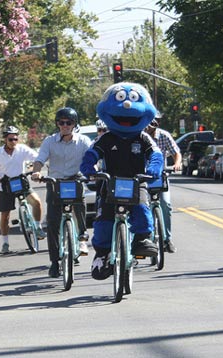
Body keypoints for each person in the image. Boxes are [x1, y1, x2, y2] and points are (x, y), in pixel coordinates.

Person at [80, 82, 163, 280]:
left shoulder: (143, 138)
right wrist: (89, 167)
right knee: (103, 220)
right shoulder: (106, 138)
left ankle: (142, 239)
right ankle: (102, 254)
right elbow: (92, 153)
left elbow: (156, 155)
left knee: (142, 208)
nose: (126, 106)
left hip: (137, 181)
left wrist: (153, 168)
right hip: (110, 182)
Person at [31, 107, 92, 278]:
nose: (65, 125)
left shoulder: (84, 141)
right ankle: (54, 262)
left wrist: (93, 171)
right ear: (57, 124)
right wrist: (36, 172)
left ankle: (82, 234)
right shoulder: (49, 141)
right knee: (52, 223)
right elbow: (40, 160)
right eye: (61, 122)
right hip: (55, 182)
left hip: (75, 179)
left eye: (69, 122)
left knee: (79, 203)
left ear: (74, 124)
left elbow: (90, 158)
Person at [0, 125, 46, 253]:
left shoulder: (22, 149)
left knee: (37, 202)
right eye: (10, 139)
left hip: (21, 182)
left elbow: (37, 159)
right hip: (5, 186)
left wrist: (34, 170)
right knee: (5, 216)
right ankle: (5, 243)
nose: (13, 142)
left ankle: (37, 227)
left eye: (15, 139)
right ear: (5, 140)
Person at [144, 114, 182, 253]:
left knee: (165, 204)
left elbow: (176, 152)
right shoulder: (139, 136)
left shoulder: (164, 136)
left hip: (161, 177)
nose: (151, 125)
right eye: (149, 121)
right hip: (143, 178)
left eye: (155, 121)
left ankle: (167, 239)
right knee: (141, 206)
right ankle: (143, 237)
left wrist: (177, 164)